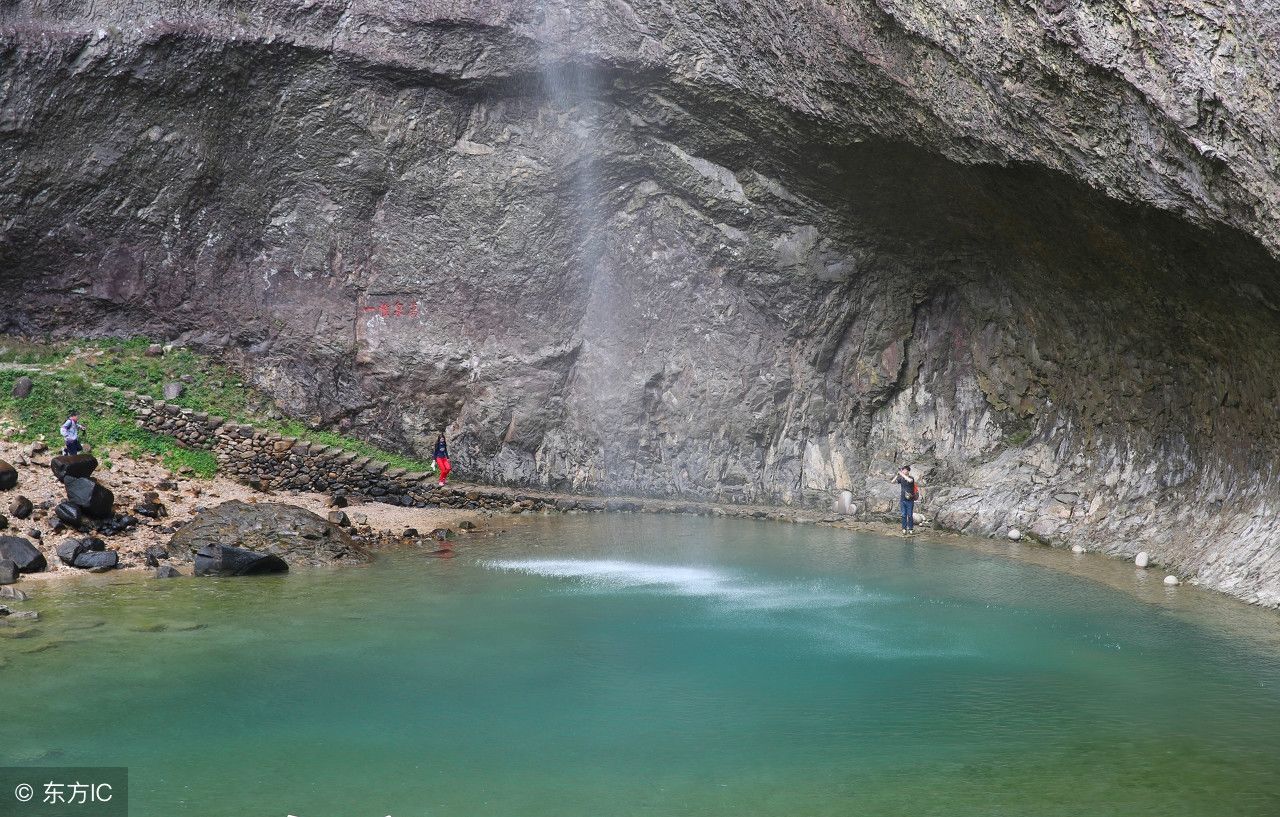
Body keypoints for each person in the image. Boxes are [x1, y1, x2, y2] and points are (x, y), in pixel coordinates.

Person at [891, 465, 919, 536]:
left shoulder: (911, 478)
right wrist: (897, 475)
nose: (903, 471)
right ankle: (904, 528)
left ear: (908, 471)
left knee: (910, 515)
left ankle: (911, 529)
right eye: (902, 470)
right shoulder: (901, 478)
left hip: (910, 500)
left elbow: (909, 480)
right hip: (902, 499)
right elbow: (892, 482)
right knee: (903, 515)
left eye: (904, 470)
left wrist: (901, 474)